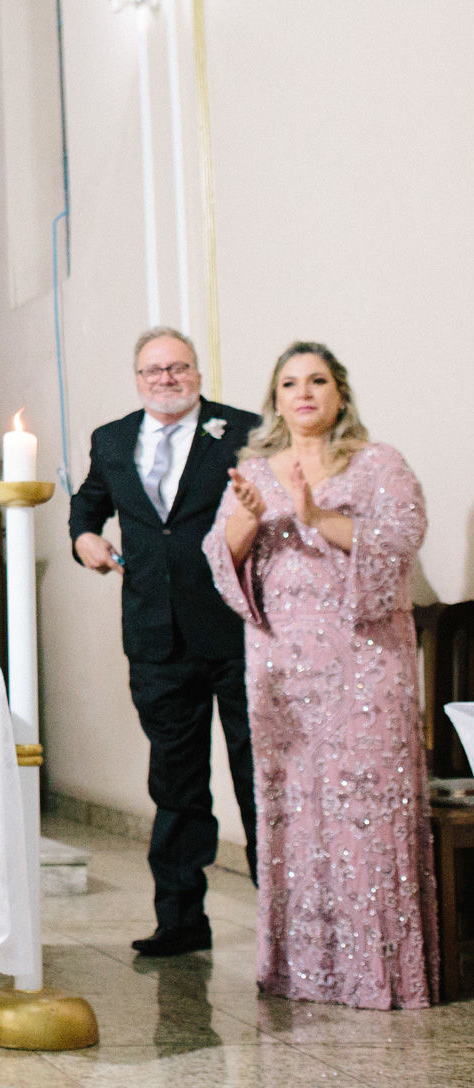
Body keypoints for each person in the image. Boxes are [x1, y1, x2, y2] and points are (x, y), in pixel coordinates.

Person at [205, 341, 436, 1009]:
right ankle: (300, 971)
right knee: (296, 811)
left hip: (367, 663)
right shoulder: (253, 470)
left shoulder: (378, 463)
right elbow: (223, 562)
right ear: (274, 399)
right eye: (289, 383)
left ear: (340, 394)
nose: (303, 392)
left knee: (366, 810)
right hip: (283, 668)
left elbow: (399, 538)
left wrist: (314, 516)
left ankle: (379, 976)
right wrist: (248, 518)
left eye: (317, 381)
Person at [67, 327, 259, 957]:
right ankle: (180, 920)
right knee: (175, 783)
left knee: (258, 776)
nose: (167, 379)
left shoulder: (244, 430)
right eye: (154, 371)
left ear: (197, 373)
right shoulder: (114, 438)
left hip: (235, 629)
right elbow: (87, 506)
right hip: (155, 634)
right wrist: (84, 540)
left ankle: (282, 922)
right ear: (138, 379)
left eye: (178, 368)